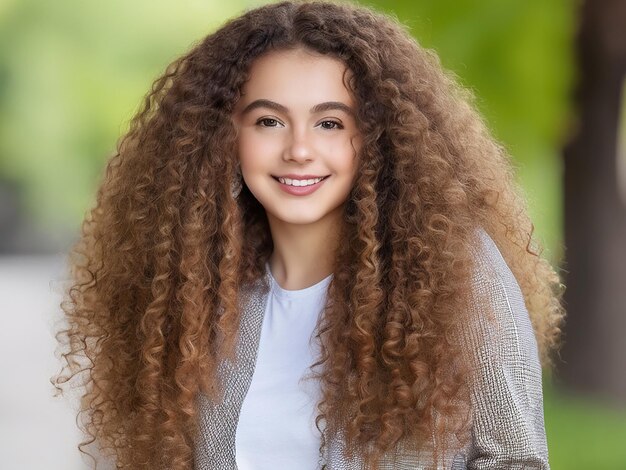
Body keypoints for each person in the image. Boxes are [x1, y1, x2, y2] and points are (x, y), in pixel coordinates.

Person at [53, 1, 565, 469]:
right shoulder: (193, 299)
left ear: (374, 138)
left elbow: (517, 459)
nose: (299, 149)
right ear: (225, 138)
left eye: (329, 124)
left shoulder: (455, 272)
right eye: (270, 121)